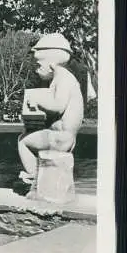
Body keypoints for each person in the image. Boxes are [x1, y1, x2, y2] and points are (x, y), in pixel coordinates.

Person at [18, 33, 84, 187]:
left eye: (39, 64)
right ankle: (40, 177)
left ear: (51, 63)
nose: (37, 69)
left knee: (23, 141)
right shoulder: (61, 78)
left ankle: (34, 176)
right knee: (28, 135)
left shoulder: (63, 78)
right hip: (62, 137)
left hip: (62, 138)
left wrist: (37, 100)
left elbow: (58, 106)